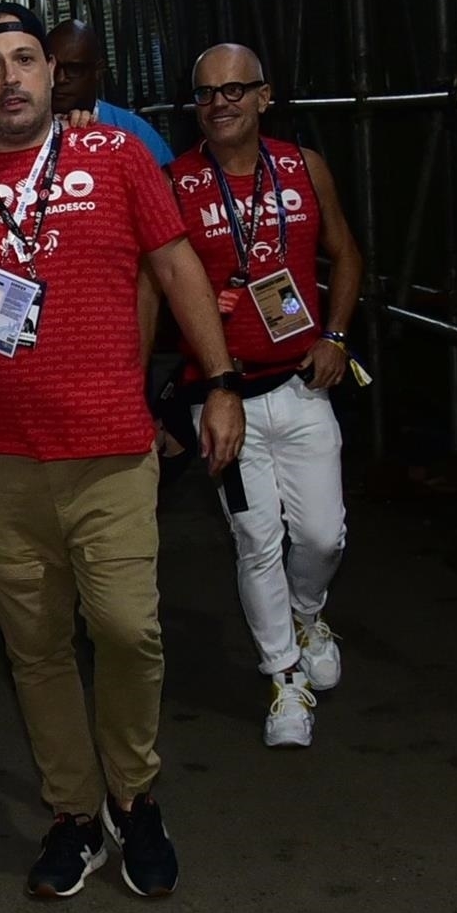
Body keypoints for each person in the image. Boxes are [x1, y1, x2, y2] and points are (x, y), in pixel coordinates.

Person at [0, 5, 245, 901]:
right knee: (34, 648)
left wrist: (219, 382)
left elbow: (180, 262)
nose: (11, 78)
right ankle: (75, 813)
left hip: (110, 447)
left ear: (52, 73)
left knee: (126, 629)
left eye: (24, 59)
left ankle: (135, 796)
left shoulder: (116, 160)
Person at [169, 47, 366, 748]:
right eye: (205, 94)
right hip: (222, 395)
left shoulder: (303, 167)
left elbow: (346, 254)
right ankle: (284, 678)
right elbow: (156, 283)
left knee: (321, 534)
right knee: (256, 540)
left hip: (300, 384)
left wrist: (336, 334)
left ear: (264, 96)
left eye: (234, 90)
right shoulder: (177, 183)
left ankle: (309, 611)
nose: (219, 103)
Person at [48, 19, 176, 170]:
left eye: (74, 69)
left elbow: (168, 190)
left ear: (98, 71)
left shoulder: (133, 132)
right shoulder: (28, 129)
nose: (60, 79)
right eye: (51, 67)